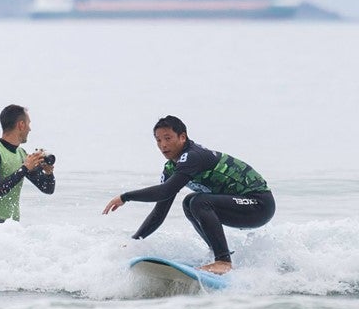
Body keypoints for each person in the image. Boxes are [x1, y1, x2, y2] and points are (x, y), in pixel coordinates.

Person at [102, 115, 274, 275]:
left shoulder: (193, 156)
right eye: (158, 140)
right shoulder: (171, 168)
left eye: (168, 138)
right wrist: (134, 242)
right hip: (240, 207)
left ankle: (223, 261)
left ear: (182, 137)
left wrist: (125, 197)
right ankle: (219, 256)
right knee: (189, 202)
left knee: (199, 202)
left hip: (259, 204)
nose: (163, 145)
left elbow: (165, 191)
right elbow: (159, 213)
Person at [0, 104, 55, 227]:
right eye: (29, 124)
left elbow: (47, 189)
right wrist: (25, 169)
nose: (30, 129)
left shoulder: (22, 155)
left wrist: (48, 172)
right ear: (21, 125)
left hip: (11, 228)